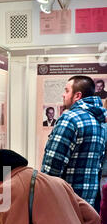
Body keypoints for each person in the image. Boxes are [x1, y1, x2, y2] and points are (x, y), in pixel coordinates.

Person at [41, 75, 106, 207]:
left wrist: (42, 197)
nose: (63, 95)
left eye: (66, 90)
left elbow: (53, 165)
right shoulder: (99, 121)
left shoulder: (70, 118)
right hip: (88, 200)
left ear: (77, 96)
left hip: (65, 201)